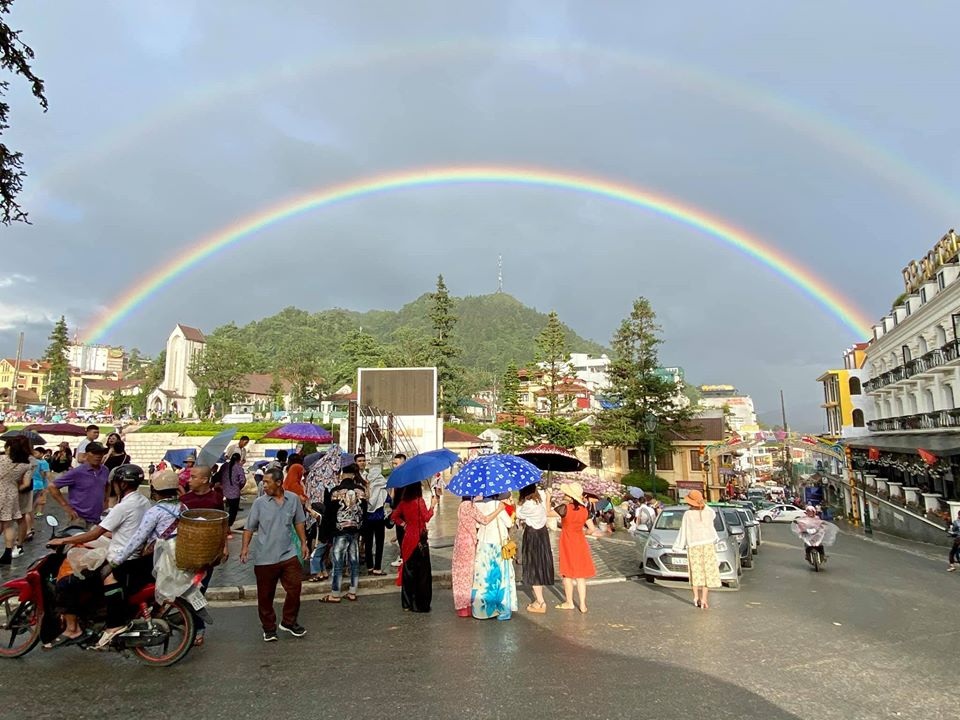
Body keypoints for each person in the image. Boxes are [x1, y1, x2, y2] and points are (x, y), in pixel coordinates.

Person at [47, 464, 154, 648]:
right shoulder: (143, 502)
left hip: (121, 559)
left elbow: (94, 534)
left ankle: (73, 630)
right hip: (135, 558)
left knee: (66, 583)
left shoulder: (124, 506)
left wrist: (64, 541)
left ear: (120, 484)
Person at [239, 467, 308, 641]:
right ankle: (269, 628)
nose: (264, 485)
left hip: (289, 553)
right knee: (265, 596)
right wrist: (245, 548)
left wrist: (303, 543)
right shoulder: (259, 503)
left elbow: (299, 522)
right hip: (265, 556)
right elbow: (249, 527)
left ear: (278, 483)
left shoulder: (293, 499)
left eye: (268, 482)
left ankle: (289, 622)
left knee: (295, 589)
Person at [181, 464, 228, 646]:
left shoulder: (216, 499)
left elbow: (223, 523)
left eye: (193, 477)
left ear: (204, 480)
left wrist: (224, 547)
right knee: (185, 592)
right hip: (188, 553)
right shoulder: (184, 500)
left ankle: (198, 628)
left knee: (199, 592)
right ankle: (188, 624)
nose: (189, 480)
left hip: (209, 555)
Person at [319, 463, 368, 603]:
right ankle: (352, 591)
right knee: (354, 561)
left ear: (342, 475)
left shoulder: (335, 491)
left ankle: (335, 593)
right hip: (355, 530)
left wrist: (324, 534)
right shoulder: (361, 491)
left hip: (339, 530)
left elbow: (328, 514)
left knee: (338, 562)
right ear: (353, 476)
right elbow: (364, 513)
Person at [547, 482, 596, 613]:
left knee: (567, 574)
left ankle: (569, 602)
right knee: (581, 576)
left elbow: (548, 513)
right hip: (580, 541)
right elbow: (591, 529)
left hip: (567, 542)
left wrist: (548, 497)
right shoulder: (585, 510)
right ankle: (583, 604)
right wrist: (582, 533)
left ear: (569, 496)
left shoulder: (565, 508)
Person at [390, 481, 438, 613]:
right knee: (422, 574)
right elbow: (427, 517)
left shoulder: (404, 502)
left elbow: (394, 516)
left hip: (407, 539)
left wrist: (404, 524)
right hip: (420, 541)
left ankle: (406, 603)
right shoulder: (419, 501)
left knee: (408, 572)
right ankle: (420, 604)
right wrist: (433, 505)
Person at [472, 492, 517, 621]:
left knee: (483, 576)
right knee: (501, 576)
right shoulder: (499, 505)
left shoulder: (478, 504)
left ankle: (481, 610)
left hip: (483, 544)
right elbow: (509, 523)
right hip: (497, 543)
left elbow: (477, 525)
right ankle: (503, 609)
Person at [672, 490, 721, 610]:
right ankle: (704, 599)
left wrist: (678, 546)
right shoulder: (708, 512)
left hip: (694, 545)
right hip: (708, 544)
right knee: (707, 573)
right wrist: (702, 503)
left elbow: (683, 530)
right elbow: (712, 513)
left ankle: (696, 597)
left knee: (696, 572)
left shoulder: (688, 515)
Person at [48, 441, 109, 528]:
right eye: (94, 453)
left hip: (98, 517)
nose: (98, 456)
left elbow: (107, 485)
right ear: (86, 454)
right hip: (79, 518)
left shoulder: (105, 470)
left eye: (101, 453)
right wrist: (66, 506)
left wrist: (106, 501)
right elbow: (52, 486)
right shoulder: (77, 472)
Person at [517, 483, 555, 614]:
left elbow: (518, 514)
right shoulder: (540, 501)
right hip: (543, 535)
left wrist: (517, 502)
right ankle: (539, 599)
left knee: (533, 567)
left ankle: (540, 601)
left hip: (532, 536)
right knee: (540, 565)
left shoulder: (528, 505)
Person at [0, 436, 33, 564]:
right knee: (8, 524)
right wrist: (13, 487)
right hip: (12, 493)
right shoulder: (26, 465)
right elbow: (26, 484)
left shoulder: (1, 459)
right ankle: (8, 552)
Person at [452, 496, 482, 617]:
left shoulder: (461, 506)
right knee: (468, 574)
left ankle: (462, 606)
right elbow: (484, 520)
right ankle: (467, 604)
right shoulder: (470, 506)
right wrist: (499, 510)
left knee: (460, 574)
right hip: (469, 542)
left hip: (459, 542)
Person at [362, 463, 389, 576]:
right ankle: (377, 567)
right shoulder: (382, 486)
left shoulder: (366, 485)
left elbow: (366, 502)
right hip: (379, 519)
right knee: (379, 543)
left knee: (368, 543)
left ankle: (369, 567)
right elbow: (388, 501)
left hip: (368, 519)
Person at [216, 452, 246, 535]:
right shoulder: (238, 468)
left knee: (225, 510)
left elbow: (219, 475)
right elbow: (242, 480)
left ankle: (224, 526)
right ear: (239, 459)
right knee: (233, 511)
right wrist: (238, 487)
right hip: (235, 493)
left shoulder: (224, 466)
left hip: (224, 491)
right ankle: (228, 527)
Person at [389, 453, 407, 568]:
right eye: (394, 464)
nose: (395, 466)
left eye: (397, 463)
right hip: (397, 510)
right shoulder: (396, 476)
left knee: (403, 535)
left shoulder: (407, 477)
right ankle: (403, 555)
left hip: (404, 511)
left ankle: (403, 557)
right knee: (400, 535)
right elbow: (392, 494)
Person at [29, 445, 50, 524]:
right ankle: (34, 517)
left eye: (36, 453)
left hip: (34, 485)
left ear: (42, 454)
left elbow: (46, 475)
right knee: (35, 503)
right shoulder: (43, 463)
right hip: (40, 485)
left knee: (31, 505)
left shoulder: (34, 462)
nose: (34, 454)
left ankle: (31, 519)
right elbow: (47, 475)